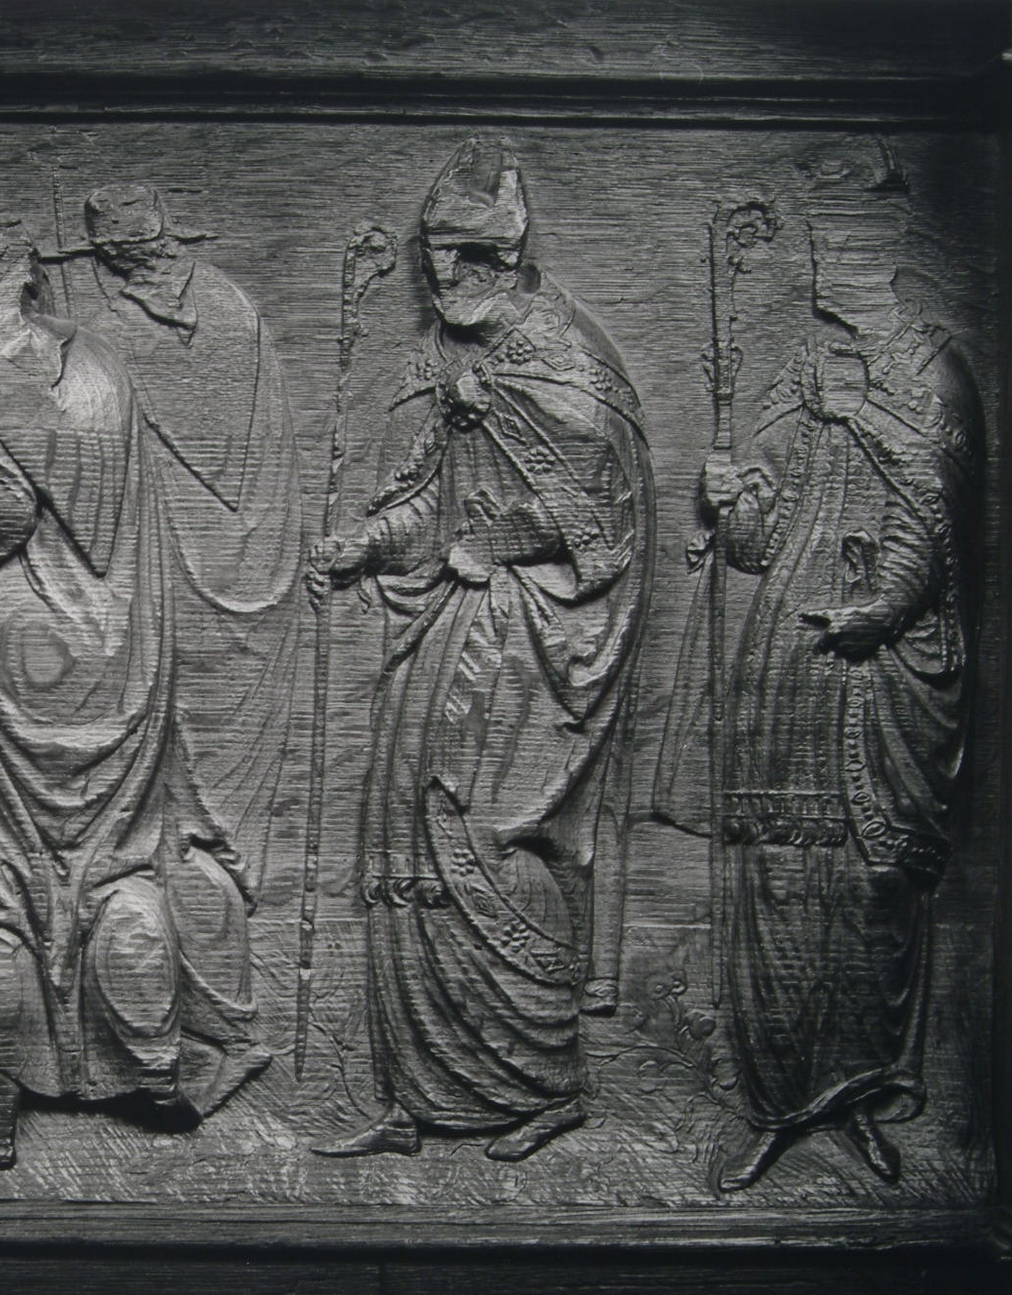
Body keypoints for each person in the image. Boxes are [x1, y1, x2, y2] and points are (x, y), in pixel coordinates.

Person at [308, 138, 652, 1162]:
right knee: (410, 849)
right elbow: (432, 501)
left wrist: (498, 543)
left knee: (494, 845)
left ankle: (543, 1083)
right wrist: (367, 541)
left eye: (468, 258)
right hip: (445, 640)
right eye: (435, 260)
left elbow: (603, 526)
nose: (445, 280)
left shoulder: (568, 364)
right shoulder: (456, 360)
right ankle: (417, 1095)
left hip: (531, 651)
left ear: (507, 257)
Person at [0, 220, 266, 1170]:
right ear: (26, 272)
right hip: (118, 648)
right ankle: (157, 1074)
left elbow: (2, 514)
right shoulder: (100, 363)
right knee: (117, 870)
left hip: (12, 643)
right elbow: (129, 509)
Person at [700, 192, 980, 1192]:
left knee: (867, 886)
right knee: (776, 878)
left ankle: (853, 1096)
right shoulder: (804, 366)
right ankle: (776, 1102)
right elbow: (763, 539)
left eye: (836, 243)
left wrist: (883, 609)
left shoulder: (934, 372)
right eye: (815, 244)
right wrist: (733, 500)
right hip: (787, 664)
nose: (818, 263)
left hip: (875, 675)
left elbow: (939, 517)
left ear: (883, 248)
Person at [63, 186, 302, 891]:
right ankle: (217, 857)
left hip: (190, 556)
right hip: (246, 548)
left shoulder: (118, 331)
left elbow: (102, 456)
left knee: (192, 708)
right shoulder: (229, 304)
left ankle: (209, 856)